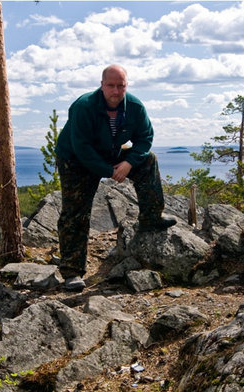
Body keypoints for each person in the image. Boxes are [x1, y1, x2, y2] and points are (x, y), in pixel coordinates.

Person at [56, 64, 175, 291]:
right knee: (75, 212)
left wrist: (128, 163)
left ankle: (151, 217)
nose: (116, 91)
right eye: (111, 85)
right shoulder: (83, 107)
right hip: (75, 159)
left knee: (148, 160)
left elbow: (145, 137)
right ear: (102, 85)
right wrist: (109, 171)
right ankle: (72, 271)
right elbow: (82, 147)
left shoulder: (135, 107)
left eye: (121, 85)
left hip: (110, 152)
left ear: (126, 86)